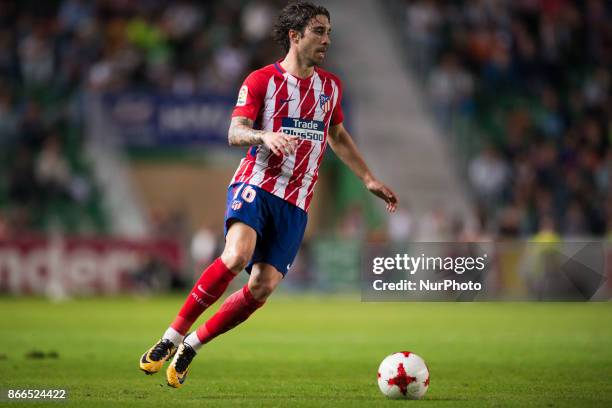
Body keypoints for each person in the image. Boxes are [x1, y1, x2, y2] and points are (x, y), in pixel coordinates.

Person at [139, 1, 398, 388]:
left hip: (297, 203)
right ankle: (170, 336)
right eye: (318, 31)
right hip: (256, 183)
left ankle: (192, 345)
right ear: (295, 36)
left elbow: (337, 135)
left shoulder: (330, 86)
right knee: (236, 255)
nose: (327, 39)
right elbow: (234, 131)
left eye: (328, 32)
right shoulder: (261, 80)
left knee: (261, 287)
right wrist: (264, 135)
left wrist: (367, 178)